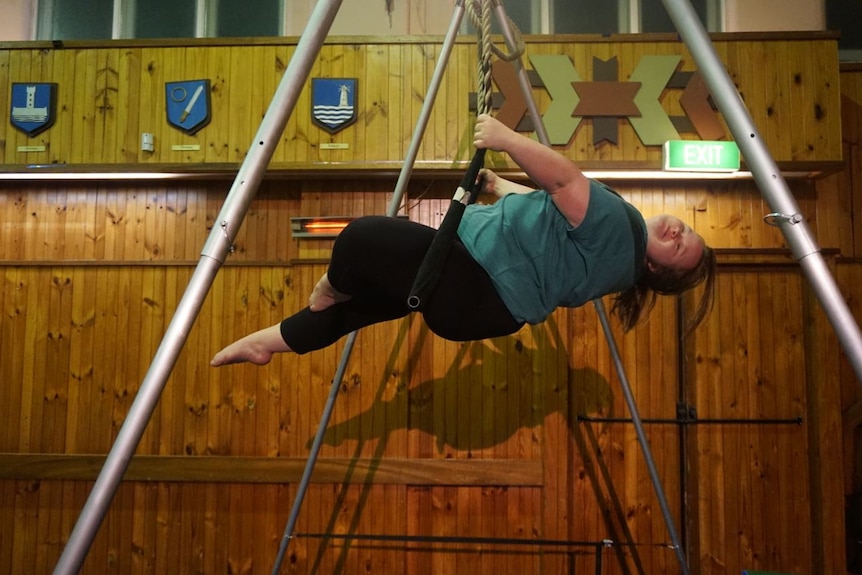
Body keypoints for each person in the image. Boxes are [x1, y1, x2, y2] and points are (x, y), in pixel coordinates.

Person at [211, 114, 716, 366]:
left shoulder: (622, 225)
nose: (675, 231)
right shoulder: (615, 258)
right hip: (484, 308)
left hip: (474, 275)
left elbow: (563, 182)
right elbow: (553, 211)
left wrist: (506, 138)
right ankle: (268, 343)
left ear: (656, 269)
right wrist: (500, 187)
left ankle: (332, 284)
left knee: (361, 239)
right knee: (356, 312)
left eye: (677, 247)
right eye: (686, 230)